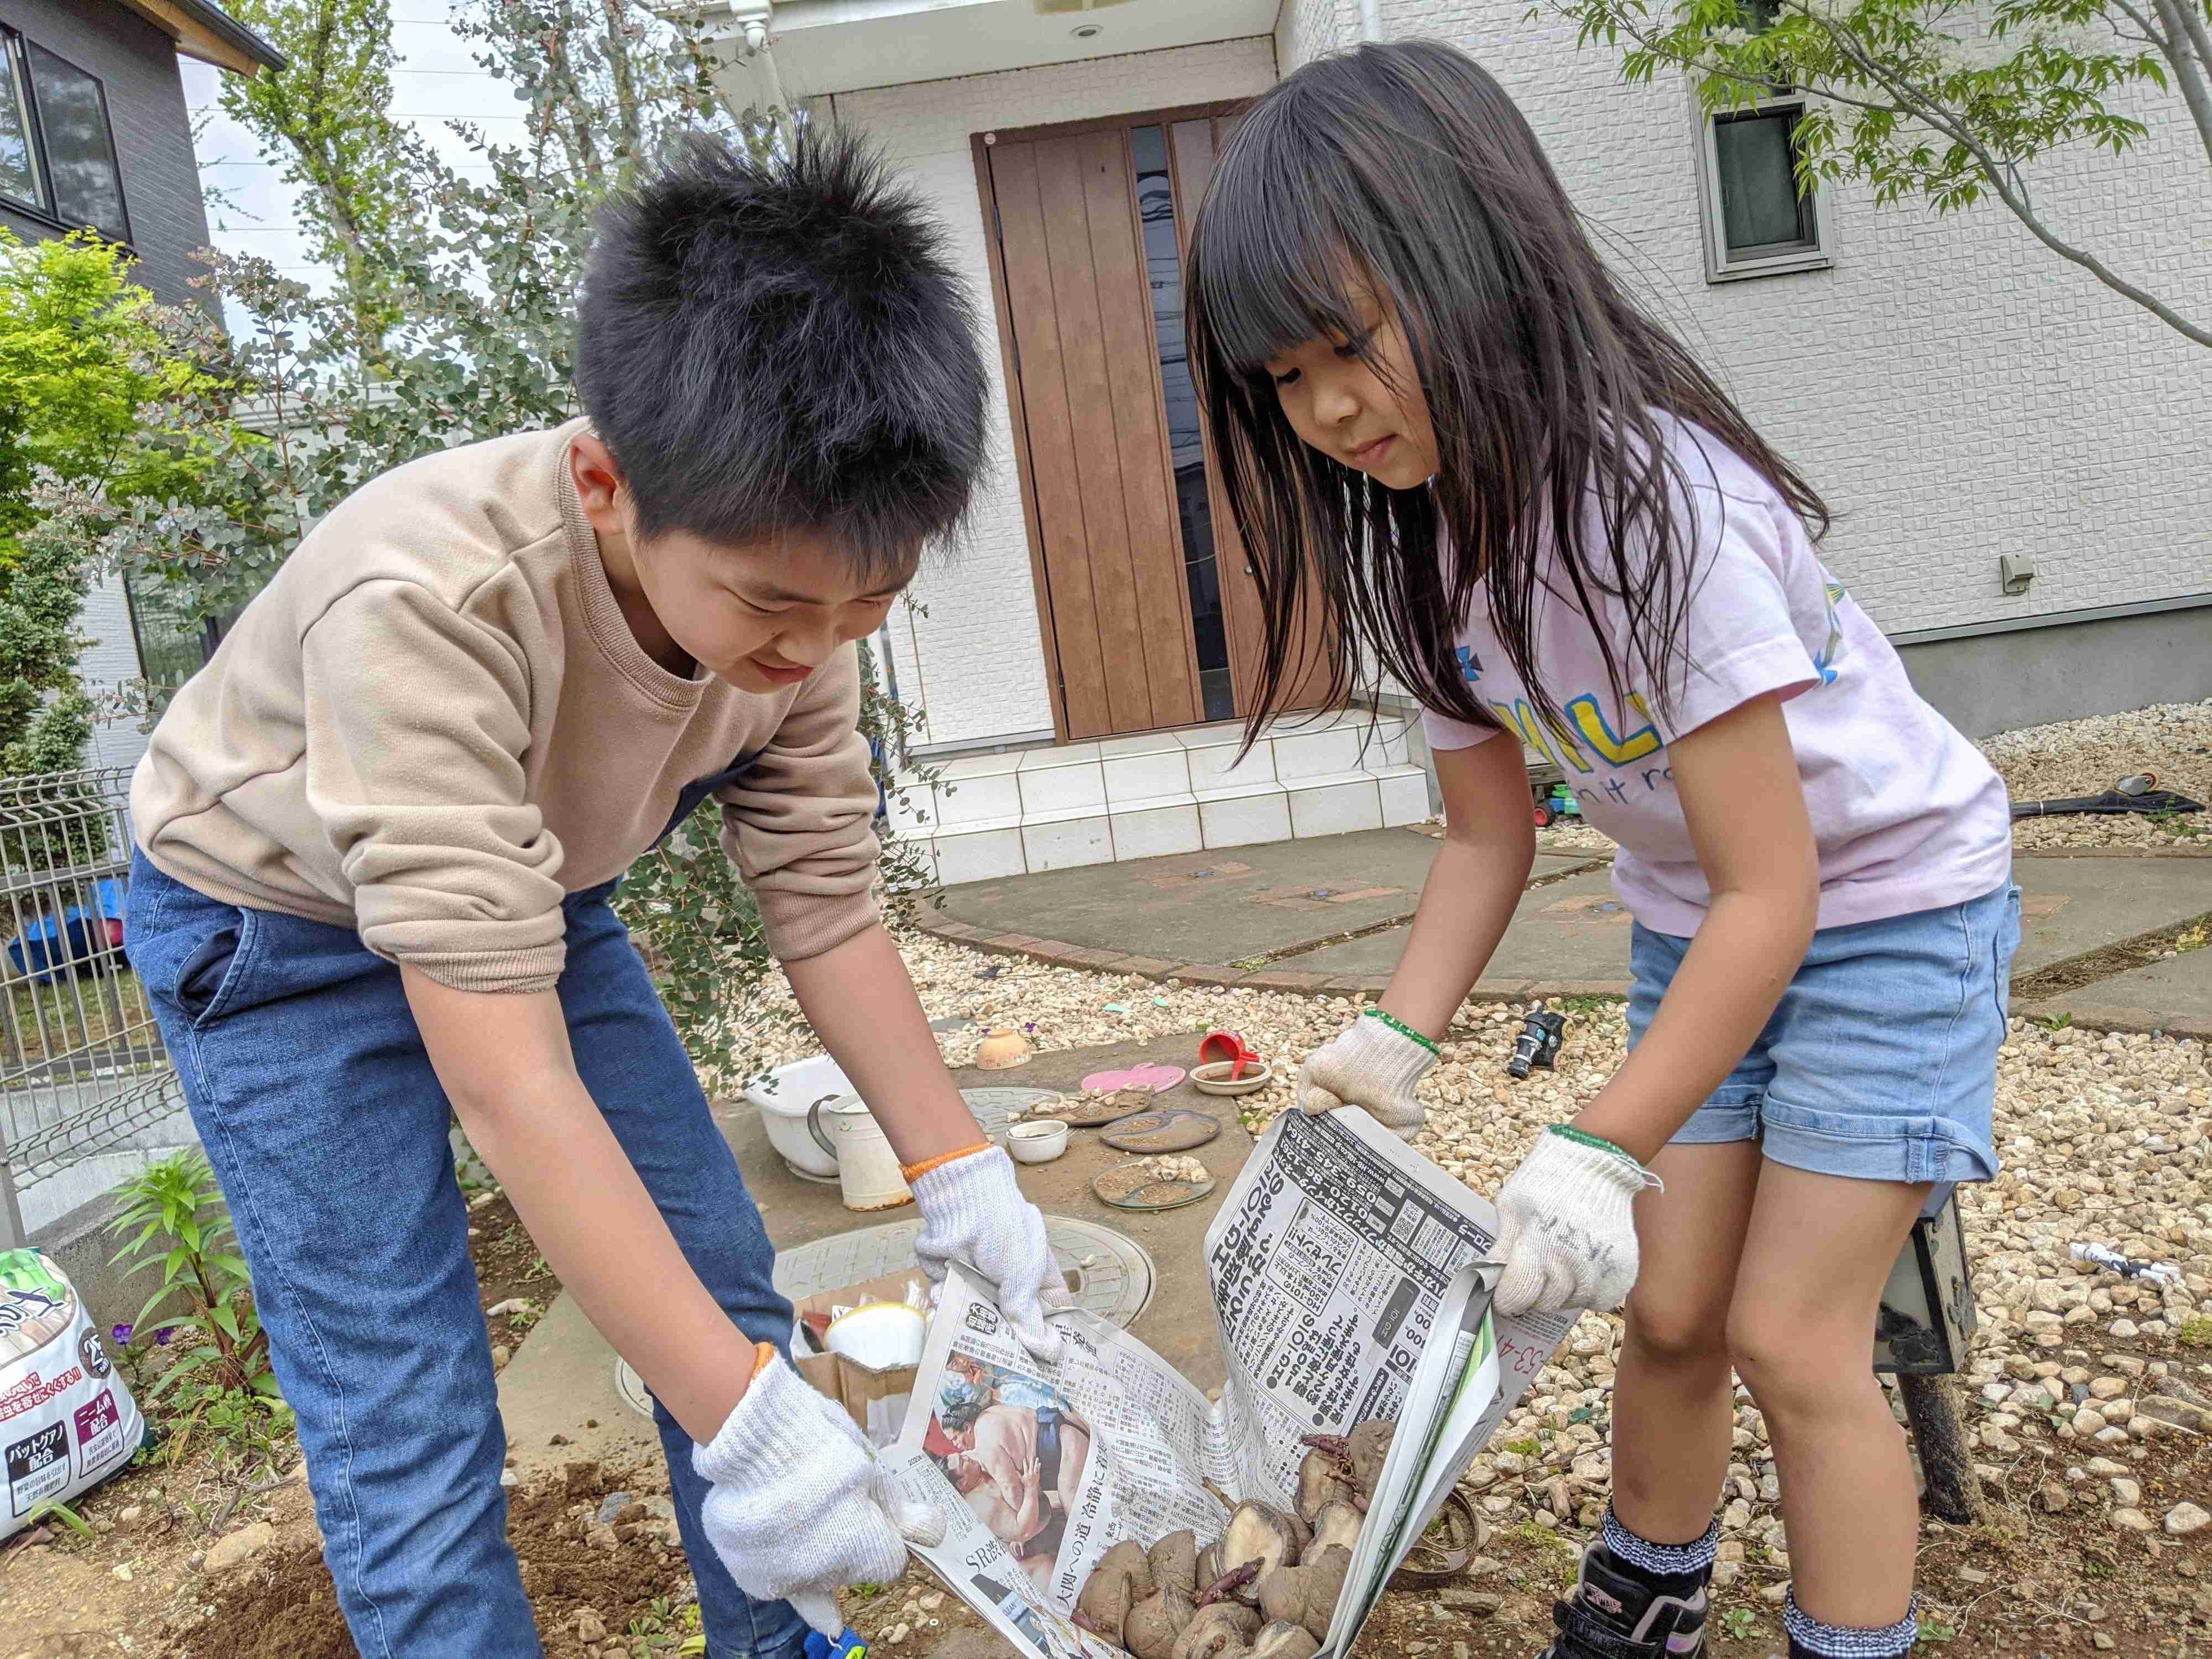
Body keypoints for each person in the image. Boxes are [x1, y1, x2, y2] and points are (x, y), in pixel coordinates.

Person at [122, 127, 1067, 1659]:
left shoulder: (805, 612)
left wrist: (960, 1172)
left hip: (529, 900)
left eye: (867, 606)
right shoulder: (430, 599)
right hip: (274, 933)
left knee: (724, 1297)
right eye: (774, 606)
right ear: (604, 482)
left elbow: (825, 899)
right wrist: (746, 1428)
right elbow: (509, 1083)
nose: (812, 650)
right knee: (410, 1419)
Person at [1183, 43, 2017, 1659]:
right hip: (1707, 923)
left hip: (1891, 911)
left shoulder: (1659, 516)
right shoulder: (1435, 551)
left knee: (1791, 1336)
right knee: (1668, 1306)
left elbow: (1781, 890)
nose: (1328, 408)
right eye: (1284, 378)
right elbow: (1489, 830)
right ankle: (1645, 1601)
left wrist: (1595, 1146)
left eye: (1350, 344)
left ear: (1478, 261)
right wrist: (1396, 1038)